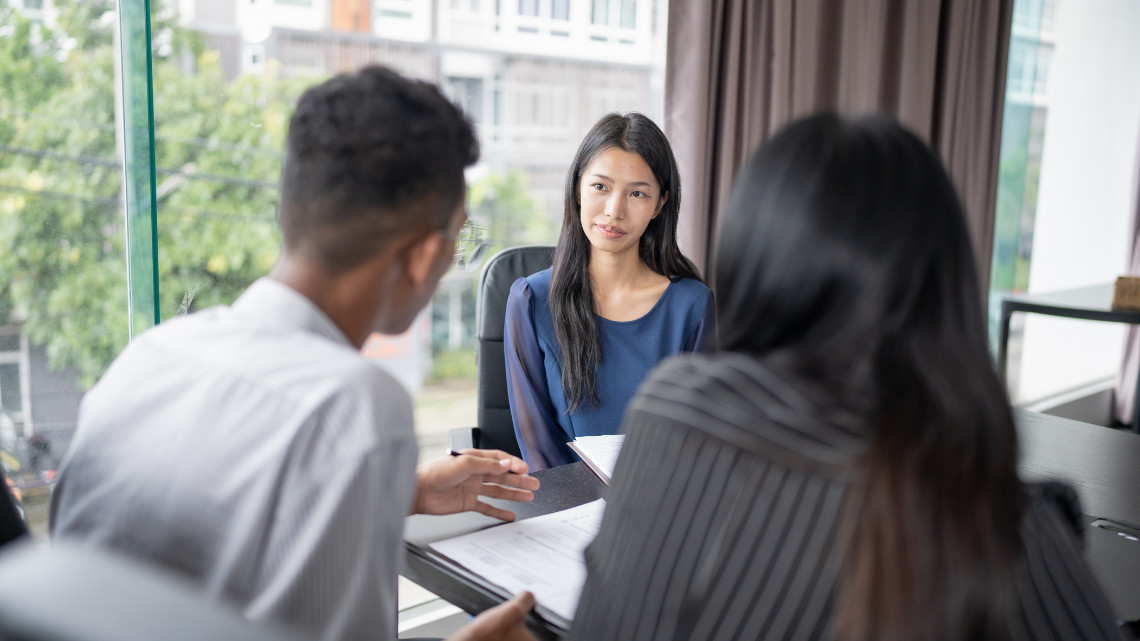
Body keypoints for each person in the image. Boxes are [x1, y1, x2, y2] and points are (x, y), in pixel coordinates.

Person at [568, 114, 1126, 641]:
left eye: (637, 191)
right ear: (944, 280)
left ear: (752, 257)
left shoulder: (675, 411)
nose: (616, 207)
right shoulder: (1005, 527)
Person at [50, 66, 541, 641]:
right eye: (458, 239)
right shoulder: (353, 405)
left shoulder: (149, 356)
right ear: (422, 255)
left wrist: (402, 489)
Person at [504, 113, 714, 471]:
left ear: (659, 204)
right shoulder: (530, 301)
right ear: (577, 189)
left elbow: (694, 443)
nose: (614, 210)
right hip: (563, 512)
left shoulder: (693, 307)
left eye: (636, 193)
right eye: (600, 187)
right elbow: (538, 447)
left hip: (659, 511)